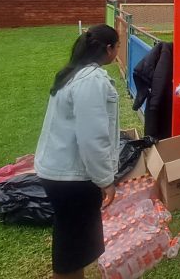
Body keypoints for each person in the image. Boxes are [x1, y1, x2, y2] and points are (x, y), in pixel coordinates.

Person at [35, 25, 121, 279]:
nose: (117, 51)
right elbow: (92, 138)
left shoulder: (74, 73)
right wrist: (105, 180)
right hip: (72, 178)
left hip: (60, 172)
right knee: (72, 252)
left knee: (73, 246)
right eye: (117, 47)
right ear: (108, 49)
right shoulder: (91, 81)